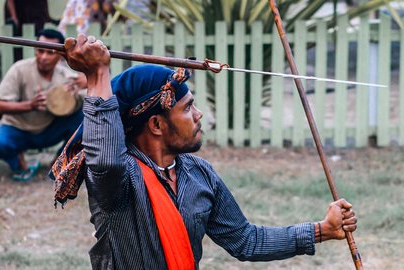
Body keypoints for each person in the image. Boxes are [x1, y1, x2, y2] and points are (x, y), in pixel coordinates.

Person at [50, 33, 358, 269]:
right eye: (187, 108)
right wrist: (98, 75)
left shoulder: (199, 174)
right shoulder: (117, 179)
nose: (198, 115)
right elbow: (104, 157)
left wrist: (322, 230)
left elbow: (246, 241)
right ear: (156, 124)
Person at [0, 29, 85, 182]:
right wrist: (30, 105)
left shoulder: (68, 77)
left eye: (50, 53)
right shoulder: (19, 69)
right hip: (17, 129)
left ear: (60, 55)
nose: (44, 57)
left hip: (48, 131)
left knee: (85, 121)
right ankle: (18, 164)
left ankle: (58, 161)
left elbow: (90, 100)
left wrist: (79, 91)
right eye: (40, 51)